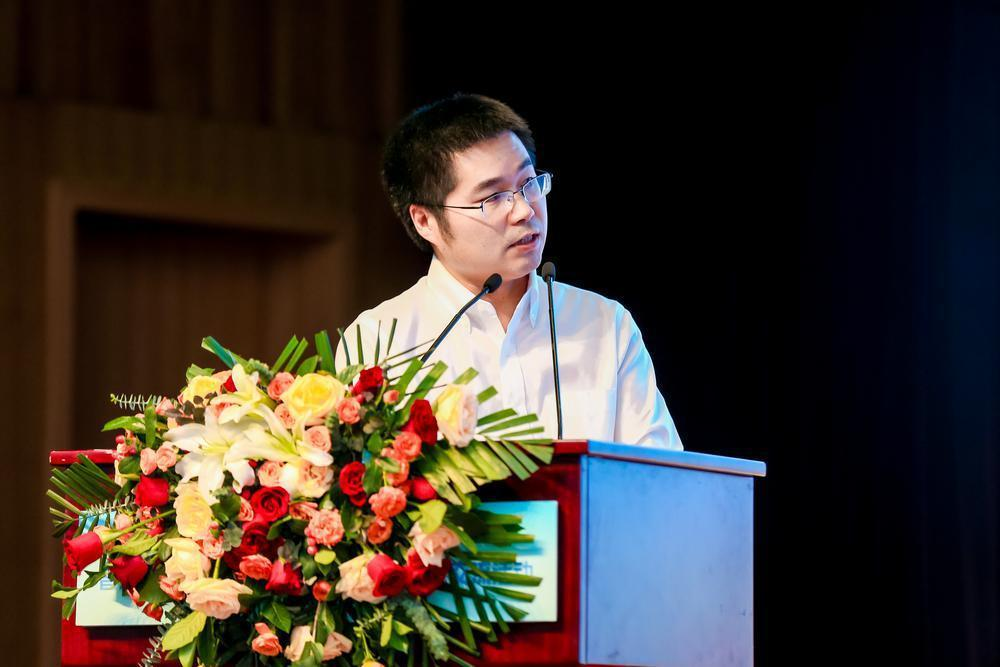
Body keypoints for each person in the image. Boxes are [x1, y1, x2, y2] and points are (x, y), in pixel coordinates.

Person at [335, 94, 682, 449]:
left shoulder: (604, 325)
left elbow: (660, 473)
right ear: (425, 221)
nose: (524, 210)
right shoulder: (381, 340)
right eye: (493, 198)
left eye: (529, 184)